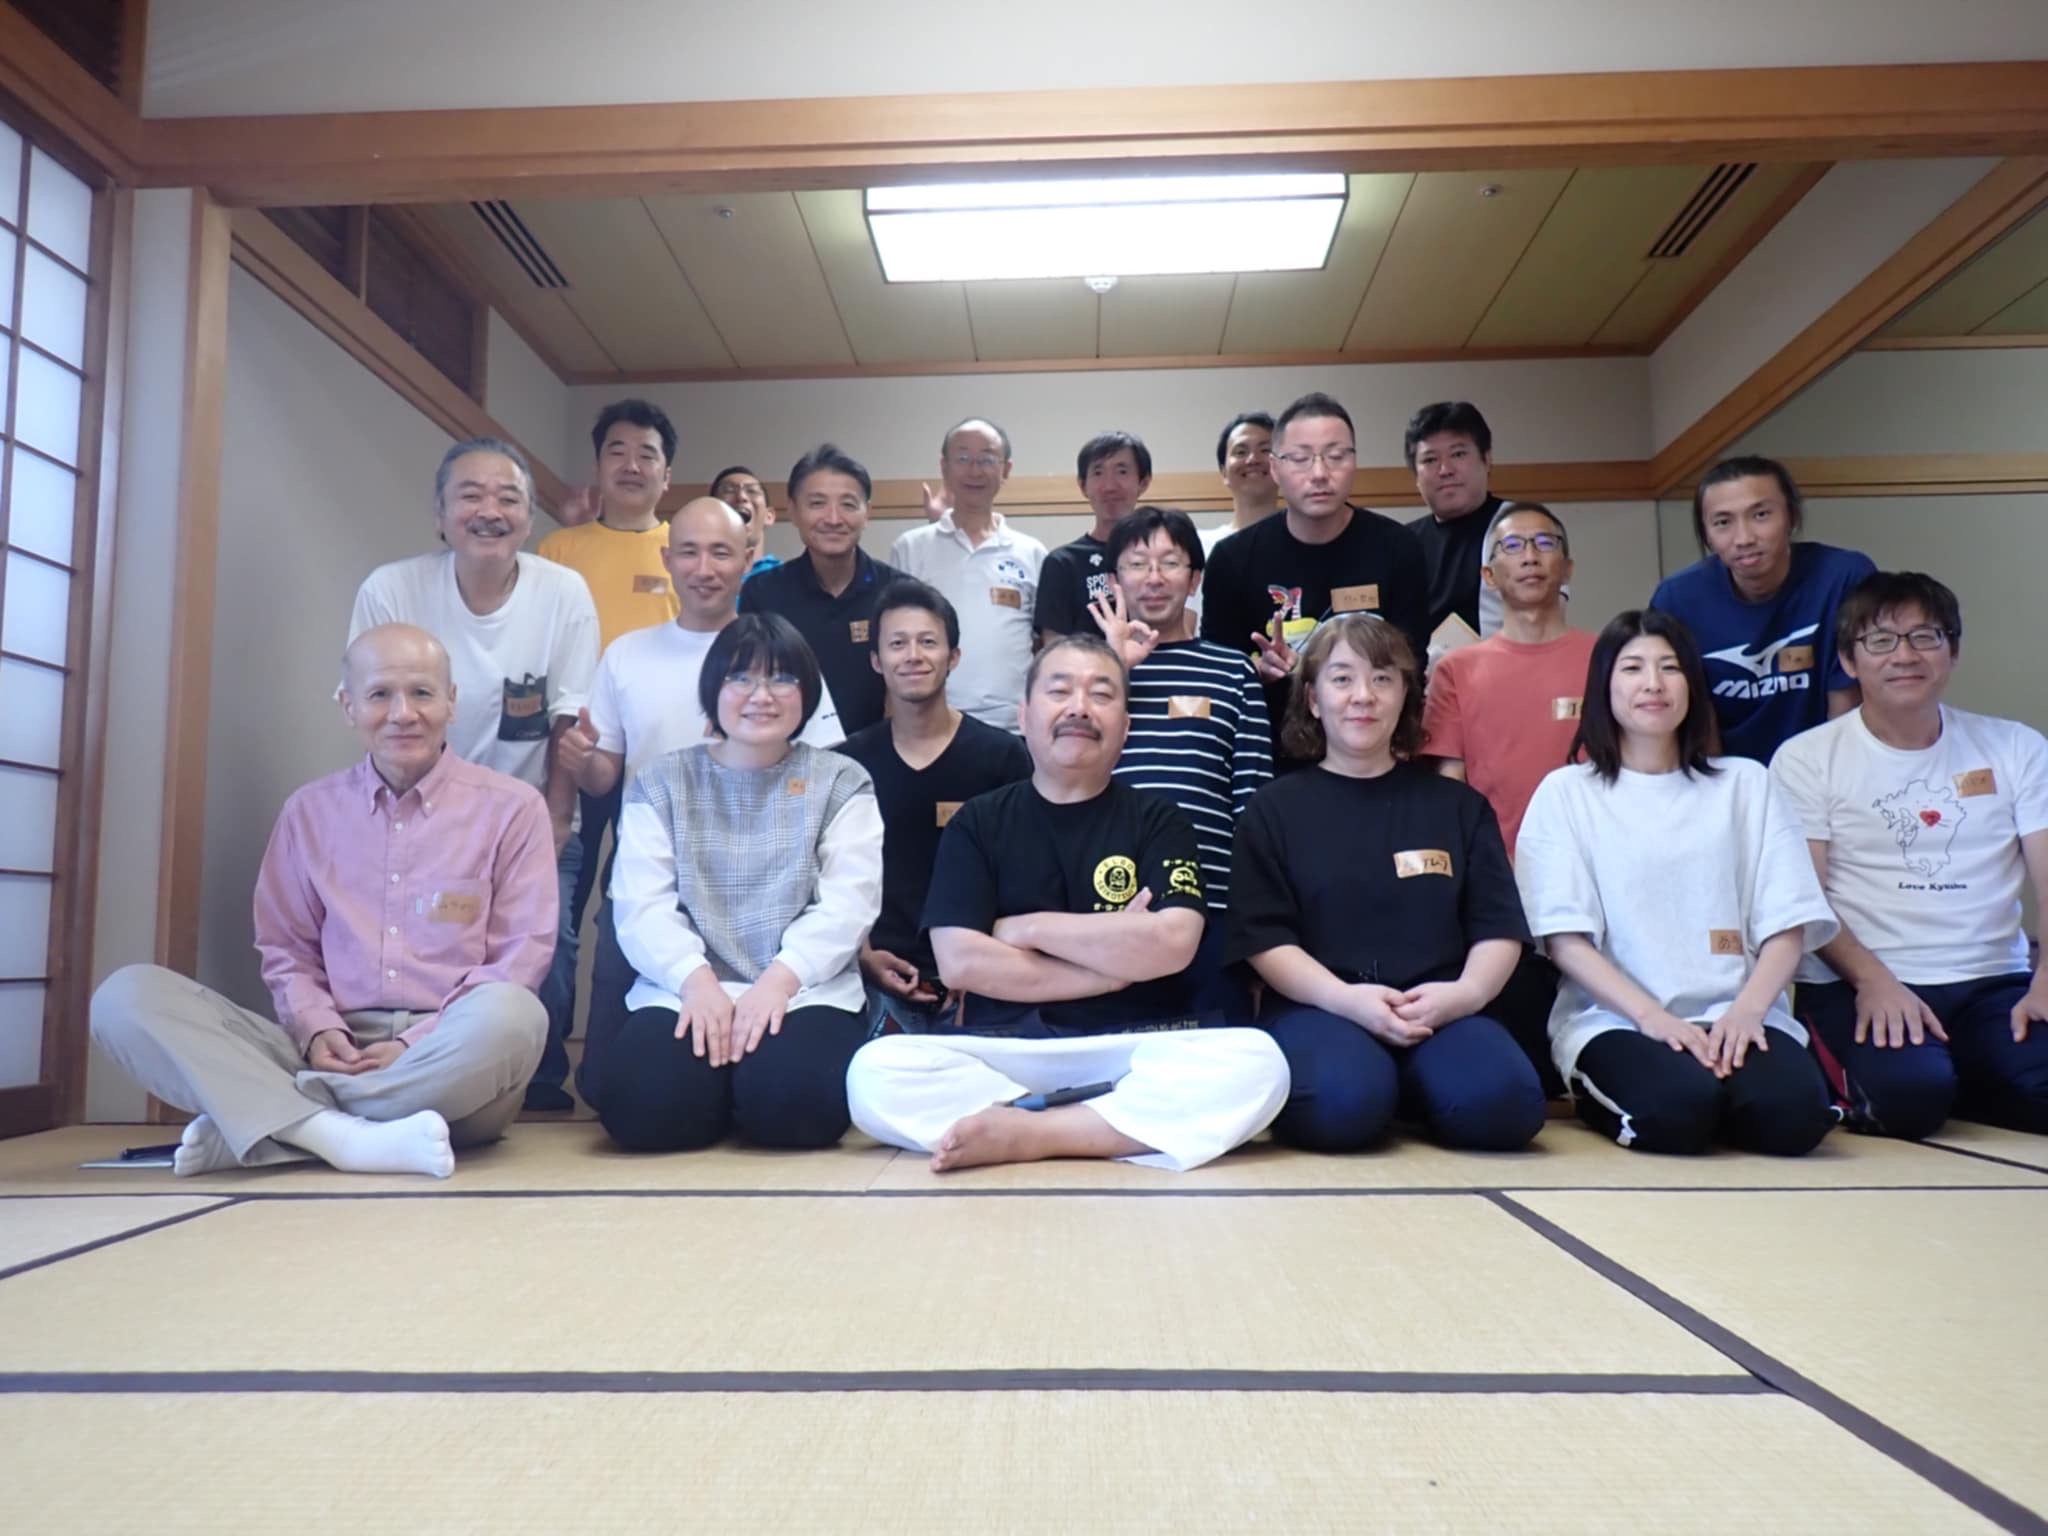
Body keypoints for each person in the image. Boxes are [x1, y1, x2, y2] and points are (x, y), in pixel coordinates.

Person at [90, 626, 554, 1178]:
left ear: (451, 702)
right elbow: (286, 949)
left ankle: (276, 1119)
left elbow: (519, 958)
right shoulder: (308, 812)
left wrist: (413, 1045)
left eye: (422, 693)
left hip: (450, 1059)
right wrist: (317, 1030)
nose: (403, 713)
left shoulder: (513, 808)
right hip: (328, 1049)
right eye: (380, 694)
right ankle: (337, 1134)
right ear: (347, 705)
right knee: (126, 997)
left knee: (514, 1014)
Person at [845, 635, 1290, 1172]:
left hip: (1133, 1049)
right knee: (874, 1071)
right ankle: (1103, 1126)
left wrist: (1025, 929)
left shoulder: (1161, 821)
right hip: (1009, 1049)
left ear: (1126, 728)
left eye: (1101, 694)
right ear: (1024, 717)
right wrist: (1110, 970)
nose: (1079, 707)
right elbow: (961, 962)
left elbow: (1172, 944)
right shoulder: (978, 822)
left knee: (1259, 1063)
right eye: (1060, 691)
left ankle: (1031, 1130)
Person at [1515, 610, 1840, 1156]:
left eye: (1670, 668)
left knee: (1792, 1121)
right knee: (1678, 1115)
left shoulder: (1746, 783)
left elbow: (1789, 924)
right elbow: (1564, 940)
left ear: (1692, 683)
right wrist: (1654, 1019)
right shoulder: (1566, 793)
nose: (1653, 684)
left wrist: (1748, 1011)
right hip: (1617, 1020)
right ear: (1604, 687)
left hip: (1740, 1014)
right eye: (1633, 668)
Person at [557, 498, 844, 1103]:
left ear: (749, 557)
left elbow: (824, 769)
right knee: (612, 1084)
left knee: (772, 1065)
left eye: (721, 552)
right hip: (650, 866)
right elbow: (605, 779)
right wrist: (583, 762)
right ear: (667, 559)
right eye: (688, 551)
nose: (704, 568)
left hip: (767, 873)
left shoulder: (781, 654)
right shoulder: (627, 653)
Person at [1230, 615, 1544, 1152]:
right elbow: (1265, 940)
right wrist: (1346, 1000)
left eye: (1382, 678)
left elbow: (1498, 927)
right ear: (1313, 700)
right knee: (1344, 1108)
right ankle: (1387, 1088)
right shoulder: (1272, 810)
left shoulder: (1459, 808)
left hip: (1440, 1006)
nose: (1363, 696)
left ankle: (1418, 1090)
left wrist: (1464, 995)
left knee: (1504, 1107)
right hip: (1321, 1006)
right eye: (1342, 679)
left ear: (1405, 696)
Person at [347, 439, 598, 1109]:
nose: (490, 511)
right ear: (439, 513)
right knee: (425, 944)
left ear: (530, 517)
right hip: (418, 808)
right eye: (471, 496)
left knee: (550, 950)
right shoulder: (392, 589)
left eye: (508, 498)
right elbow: (375, 704)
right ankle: (418, 1069)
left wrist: (556, 820)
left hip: (530, 810)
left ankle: (532, 1086)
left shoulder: (562, 592)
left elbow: (568, 715)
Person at [587, 614, 882, 1151]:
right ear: (713, 690)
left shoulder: (842, 779)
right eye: (741, 678)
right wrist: (696, 983)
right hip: (684, 988)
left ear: (807, 692)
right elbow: (641, 904)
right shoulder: (661, 780)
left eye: (781, 678)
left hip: (803, 990)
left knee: (793, 1110)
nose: (761, 696)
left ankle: (743, 1085)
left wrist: (778, 983)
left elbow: (849, 904)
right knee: (643, 1110)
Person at [1772, 572, 2048, 1139]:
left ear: (1953, 652)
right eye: (1881, 641)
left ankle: (1970, 1068)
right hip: (1857, 980)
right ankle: (1942, 1075)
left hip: (1993, 979)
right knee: (1911, 1101)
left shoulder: (2015, 747)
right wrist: (1873, 979)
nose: (1905, 656)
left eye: (1926, 637)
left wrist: (2045, 978)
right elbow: (1805, 896)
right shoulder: (1806, 759)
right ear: (1848, 661)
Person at [530, 399, 680, 1110]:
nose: (631, 464)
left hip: (657, 761)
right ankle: (540, 1073)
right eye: (617, 450)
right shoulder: (559, 550)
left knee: (632, 916)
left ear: (667, 474)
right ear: (597, 466)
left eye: (647, 453)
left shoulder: (685, 547)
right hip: (574, 752)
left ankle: (618, 1066)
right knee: (553, 910)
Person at [1421, 502, 1596, 1093]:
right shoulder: (1457, 670)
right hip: (1501, 888)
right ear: (1488, 576)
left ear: (1568, 567)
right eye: (1512, 546)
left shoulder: (1609, 658)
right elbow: (1448, 789)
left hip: (1598, 882)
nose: (1530, 557)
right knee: (1526, 1066)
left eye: (1545, 543)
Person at [1091, 506, 1271, 1017]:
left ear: (1194, 580)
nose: (1154, 578)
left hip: (1211, 905)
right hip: (1099, 906)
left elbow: (1252, 800)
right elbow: (1062, 771)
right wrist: (1113, 670)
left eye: (1170, 563)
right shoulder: (1084, 674)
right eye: (1137, 564)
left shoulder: (1232, 670)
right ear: (1113, 581)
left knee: (1213, 1048)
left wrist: (1252, 924)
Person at [839, 579, 1033, 1035]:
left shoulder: (1002, 757)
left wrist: (981, 969)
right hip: (873, 977)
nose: (913, 655)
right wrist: (863, 956)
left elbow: (1024, 875)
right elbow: (830, 876)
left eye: (928, 642)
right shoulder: (847, 764)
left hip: (984, 977)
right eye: (897, 644)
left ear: (954, 656)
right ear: (876, 660)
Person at [1200, 392, 1429, 767]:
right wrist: (1256, 671)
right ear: (1275, 469)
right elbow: (1219, 670)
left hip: (1374, 754)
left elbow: (1411, 660)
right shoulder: (1233, 558)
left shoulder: (1398, 548)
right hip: (1269, 758)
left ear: (1354, 462)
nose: (1320, 473)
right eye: (1301, 458)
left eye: (1336, 456)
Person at [1650, 454, 1875, 764]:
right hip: (1728, 772)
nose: (1744, 538)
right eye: (1723, 522)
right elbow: (1694, 711)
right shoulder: (1677, 599)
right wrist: (1725, 785)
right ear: (1706, 534)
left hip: (1824, 767)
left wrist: (1829, 778)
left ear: (1791, 516)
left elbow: (1847, 695)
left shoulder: (1844, 576)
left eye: (1761, 515)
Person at [889, 417, 1047, 732]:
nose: (975, 471)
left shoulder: (1032, 553)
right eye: (963, 458)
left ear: (1006, 469)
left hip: (1014, 727)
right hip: (929, 724)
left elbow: (1043, 643)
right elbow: (892, 638)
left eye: (987, 459)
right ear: (944, 467)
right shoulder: (910, 548)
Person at [740, 443, 901, 735]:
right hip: (786, 751)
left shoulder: (897, 593)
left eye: (848, 505)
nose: (833, 519)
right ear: (792, 511)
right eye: (817, 504)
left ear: (867, 513)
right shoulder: (762, 593)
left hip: (878, 753)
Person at [1402, 400, 1514, 658]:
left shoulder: (1521, 526)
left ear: (1487, 459)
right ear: (1416, 476)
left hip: (1504, 672)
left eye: (1458, 454)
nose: (1445, 470)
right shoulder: (1403, 542)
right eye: (1430, 459)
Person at [1034, 430, 1152, 641]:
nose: (1110, 486)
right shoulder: (1062, 563)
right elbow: (1054, 647)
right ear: (1083, 486)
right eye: (1098, 473)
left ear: (1143, 482)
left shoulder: (1160, 556)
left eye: (1122, 471)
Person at [711, 464, 781, 577]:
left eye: (752, 491)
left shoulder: (790, 579)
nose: (741, 496)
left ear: (769, 516)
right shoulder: (697, 576)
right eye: (729, 490)